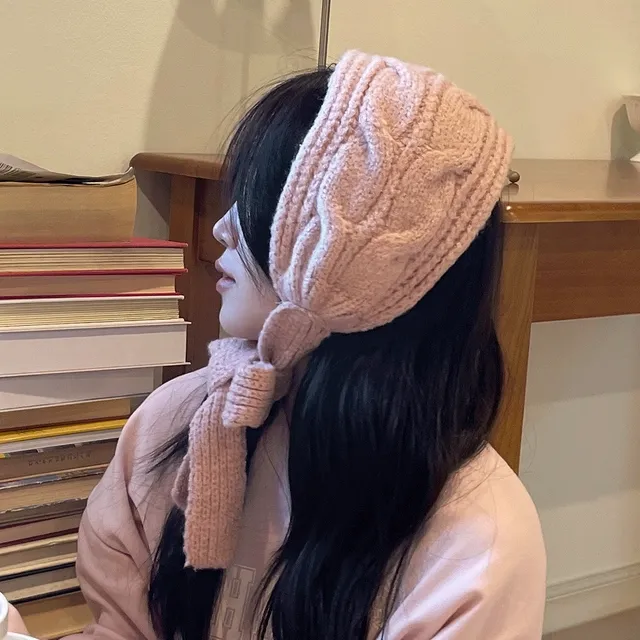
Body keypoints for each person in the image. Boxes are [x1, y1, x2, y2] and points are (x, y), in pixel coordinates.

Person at [9, 50, 546, 639]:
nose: (222, 227)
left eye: (266, 203)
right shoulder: (172, 422)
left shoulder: (475, 542)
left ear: (356, 254)